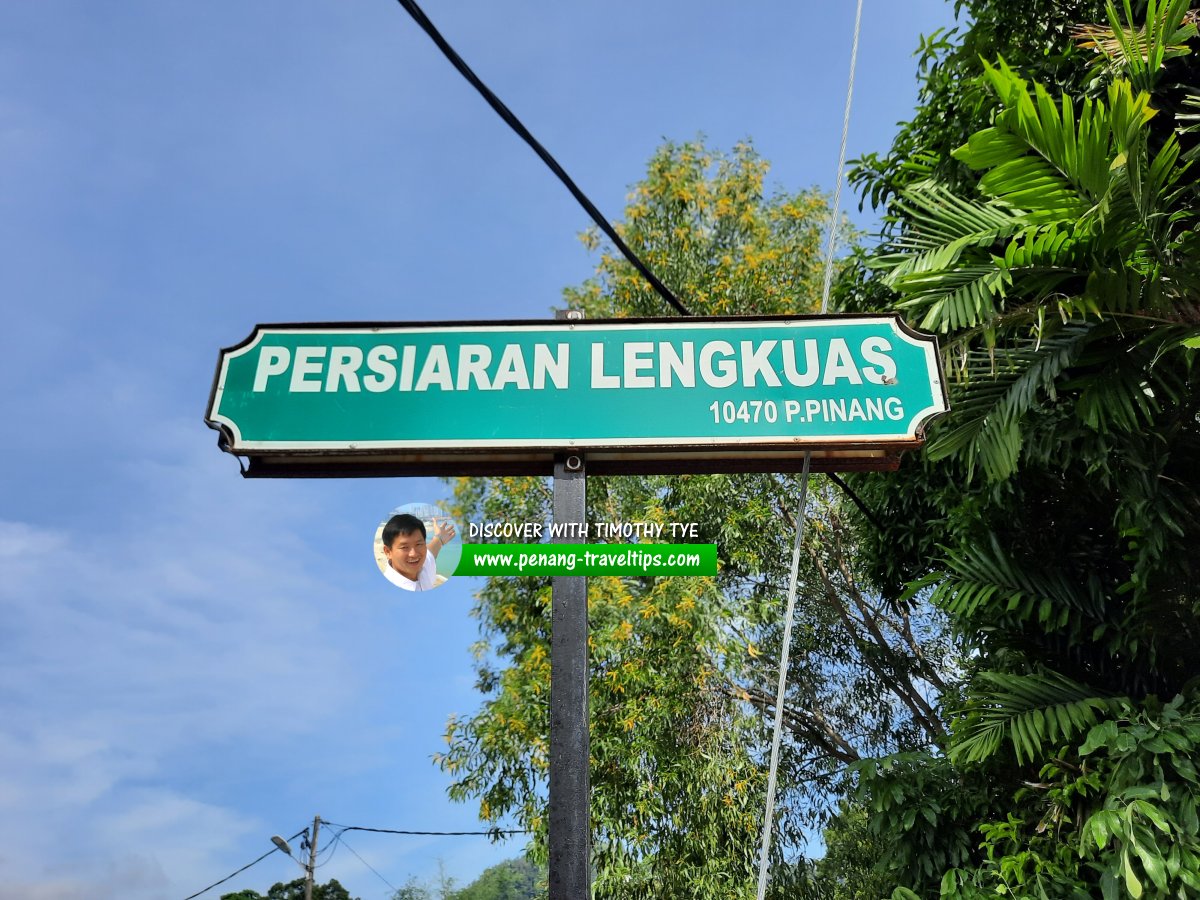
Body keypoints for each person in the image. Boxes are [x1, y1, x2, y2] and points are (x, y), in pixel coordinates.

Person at [379, 512, 456, 591]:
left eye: (418, 544)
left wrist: (439, 538)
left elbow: (432, 550)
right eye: (404, 547)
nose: (414, 554)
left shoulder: (424, 566)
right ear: (388, 552)